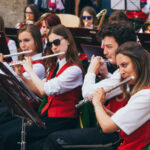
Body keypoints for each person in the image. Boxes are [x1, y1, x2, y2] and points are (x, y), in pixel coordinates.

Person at [42, 22, 137, 150]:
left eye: (109, 47)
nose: (104, 52)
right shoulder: (118, 73)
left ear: (123, 47)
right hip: (111, 127)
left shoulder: (126, 73)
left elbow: (87, 93)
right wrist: (105, 74)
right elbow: (117, 87)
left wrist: (91, 71)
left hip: (117, 136)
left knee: (55, 140)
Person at [2, 24, 83, 150]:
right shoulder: (57, 64)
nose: (54, 47)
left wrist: (29, 71)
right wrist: (22, 77)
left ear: (67, 40)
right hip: (46, 114)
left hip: (61, 120)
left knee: (11, 137)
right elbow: (39, 91)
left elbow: (45, 90)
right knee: (6, 132)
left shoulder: (74, 70)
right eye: (50, 44)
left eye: (56, 42)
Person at [92, 41, 150, 150]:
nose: (121, 72)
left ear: (140, 62)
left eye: (124, 65)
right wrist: (109, 113)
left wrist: (97, 104)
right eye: (119, 67)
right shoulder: (143, 91)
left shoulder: (146, 95)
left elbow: (107, 127)